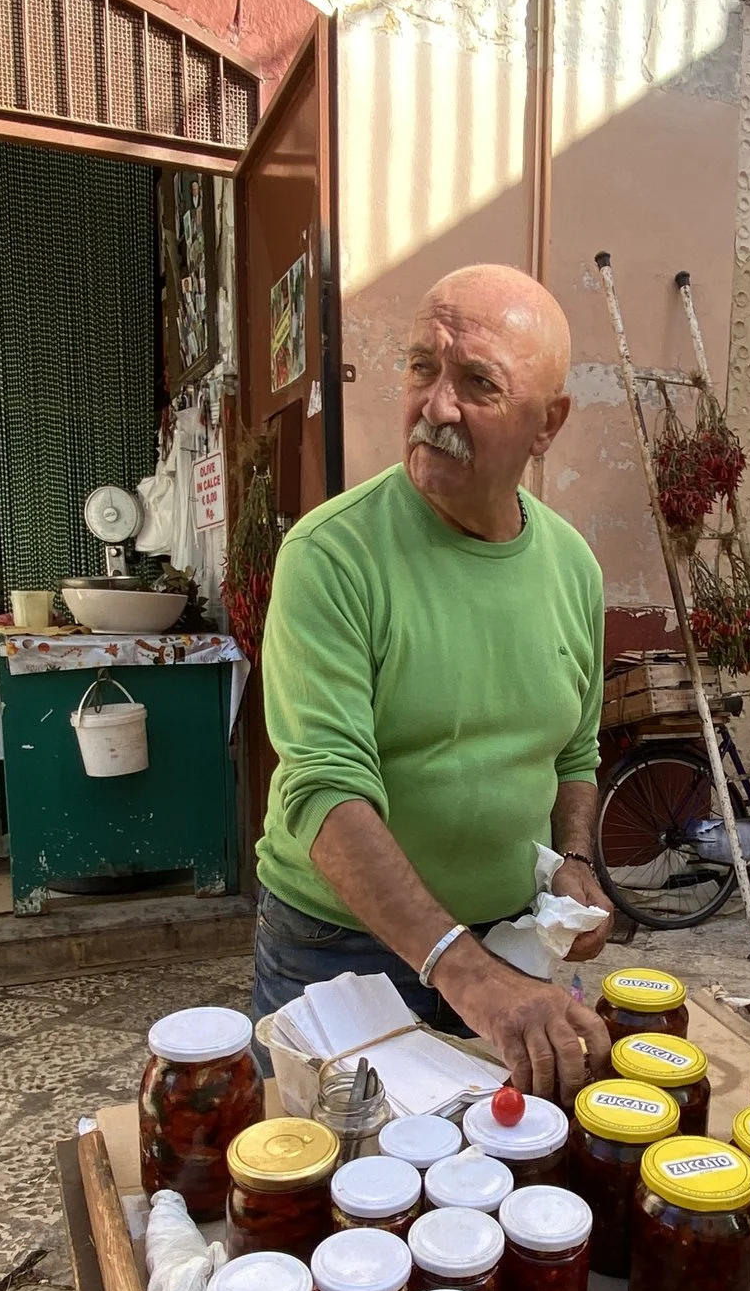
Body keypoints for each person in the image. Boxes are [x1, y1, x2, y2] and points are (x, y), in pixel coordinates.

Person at [250, 263, 615, 1099]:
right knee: (334, 1193)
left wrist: (575, 860)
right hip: (339, 952)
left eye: (477, 382)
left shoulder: (572, 567)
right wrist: (471, 977)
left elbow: (577, 751)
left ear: (547, 423)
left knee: (492, 1191)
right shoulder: (332, 555)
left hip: (511, 942)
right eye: (423, 367)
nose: (435, 405)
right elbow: (324, 791)